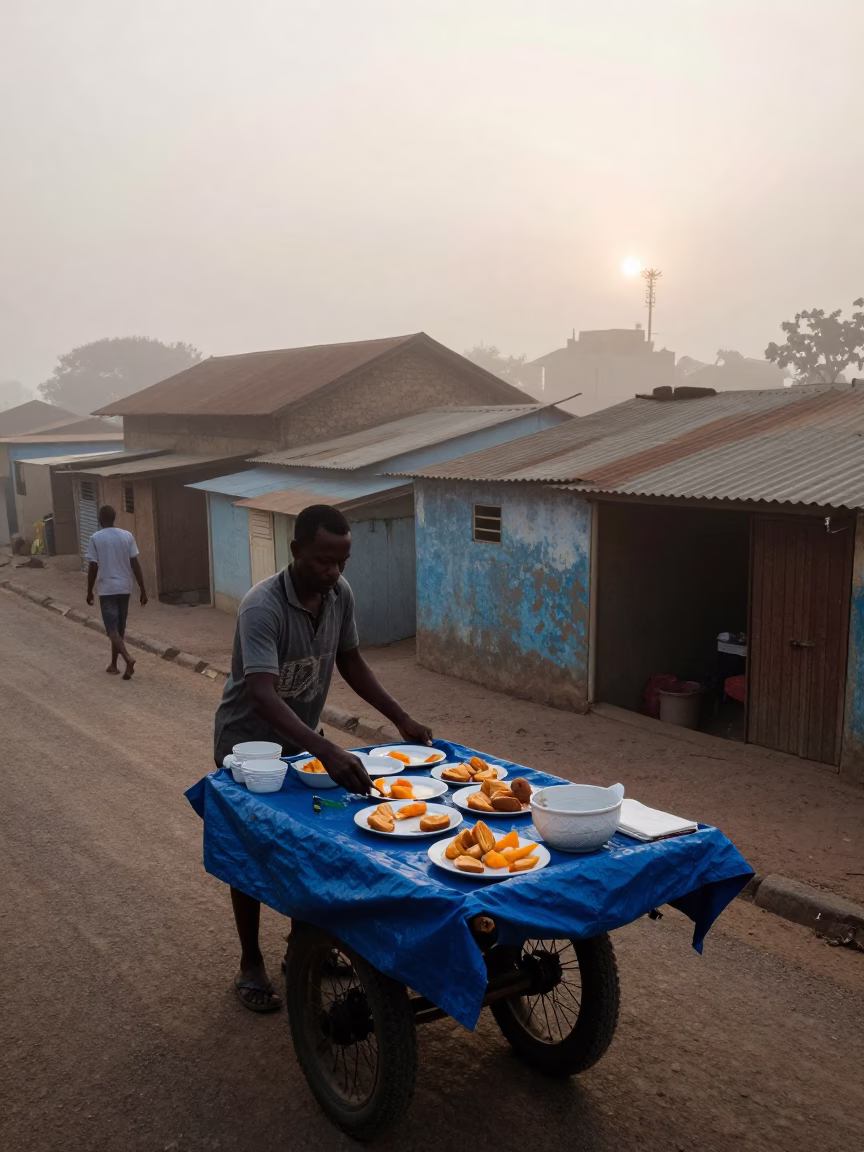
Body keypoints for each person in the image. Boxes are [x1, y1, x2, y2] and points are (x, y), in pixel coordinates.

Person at [214, 503, 432, 1012]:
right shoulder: (261, 607)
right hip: (248, 747)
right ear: (295, 552)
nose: (333, 573)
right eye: (321, 561)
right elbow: (263, 696)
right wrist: (328, 747)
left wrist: (400, 718)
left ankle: (303, 948)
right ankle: (250, 962)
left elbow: (350, 660)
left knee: (306, 845)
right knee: (248, 850)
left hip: (302, 741)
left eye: (342, 561)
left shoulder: (339, 595)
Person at [85, 505, 148, 679]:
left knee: (111, 628)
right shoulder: (127, 536)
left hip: (107, 590)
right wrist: (143, 589)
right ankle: (113, 664)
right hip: (125, 588)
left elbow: (93, 566)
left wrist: (89, 590)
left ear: (99, 519)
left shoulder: (95, 538)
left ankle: (128, 659)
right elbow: (135, 564)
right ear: (114, 518)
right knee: (119, 629)